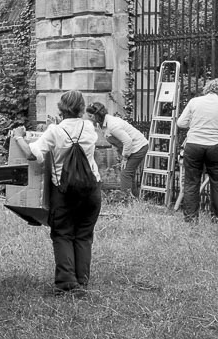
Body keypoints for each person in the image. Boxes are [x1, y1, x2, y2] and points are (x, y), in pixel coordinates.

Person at [9, 90, 102, 295]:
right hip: (91, 190)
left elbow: (32, 155)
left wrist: (18, 137)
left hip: (65, 191)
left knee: (63, 234)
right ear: (82, 108)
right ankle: (82, 280)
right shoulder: (89, 127)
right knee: (84, 235)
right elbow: (75, 133)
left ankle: (67, 284)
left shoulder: (54, 131)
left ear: (61, 109)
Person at [176, 78, 218, 222]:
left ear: (207, 88)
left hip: (194, 144)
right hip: (215, 146)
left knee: (191, 182)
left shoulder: (194, 101)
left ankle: (191, 218)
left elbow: (181, 123)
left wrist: (196, 123)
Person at [86, 102, 149, 197]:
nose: (89, 118)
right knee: (128, 174)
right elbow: (117, 141)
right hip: (130, 148)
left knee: (125, 174)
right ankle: (135, 199)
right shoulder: (101, 124)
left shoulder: (112, 125)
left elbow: (128, 141)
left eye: (90, 116)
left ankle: (127, 200)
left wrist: (124, 158)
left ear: (97, 115)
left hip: (138, 147)